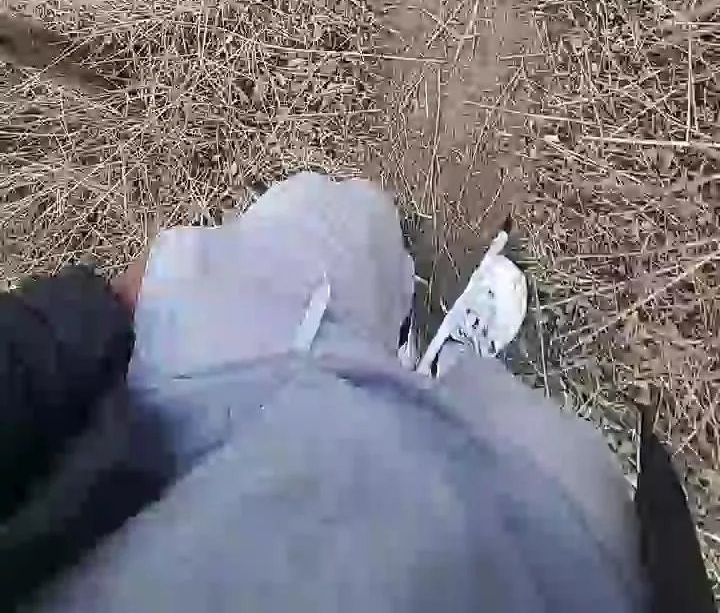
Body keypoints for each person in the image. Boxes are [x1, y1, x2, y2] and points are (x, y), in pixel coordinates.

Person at [0, 173, 710, 612]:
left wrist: (108, 313)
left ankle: (407, 354)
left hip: (161, 429)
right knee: (568, 467)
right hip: (522, 564)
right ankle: (437, 374)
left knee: (341, 220)